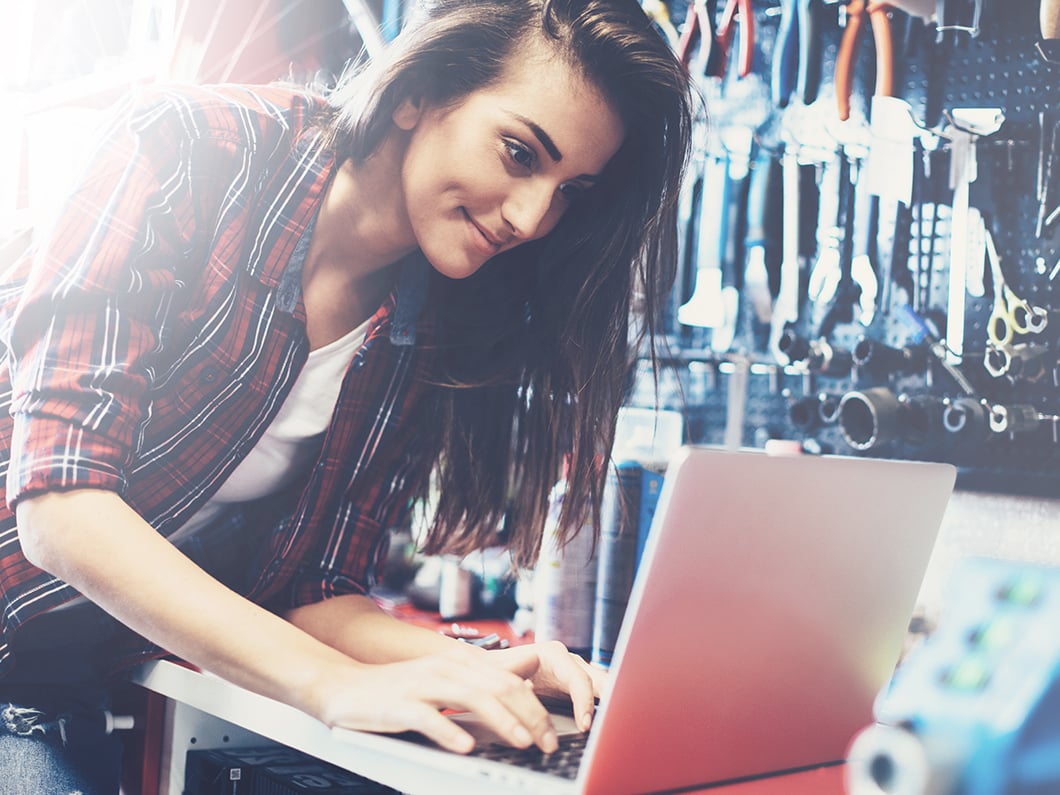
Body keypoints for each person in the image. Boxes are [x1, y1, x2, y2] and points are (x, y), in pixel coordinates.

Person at [0, 0, 693, 791]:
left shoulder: (430, 318)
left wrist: (483, 668)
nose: (533, 217)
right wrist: (330, 684)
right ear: (417, 94)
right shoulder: (183, 148)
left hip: (47, 691)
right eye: (518, 152)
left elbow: (316, 589)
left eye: (572, 190)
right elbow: (60, 509)